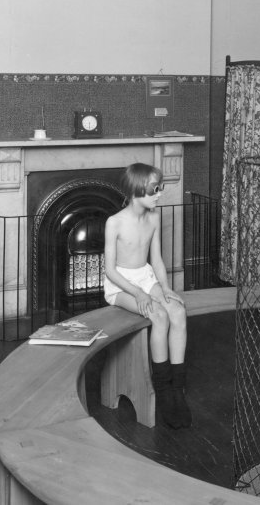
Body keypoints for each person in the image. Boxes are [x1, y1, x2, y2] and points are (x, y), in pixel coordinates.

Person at [103, 163, 191, 429]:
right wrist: (138, 292)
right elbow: (109, 271)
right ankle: (163, 390)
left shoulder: (153, 218)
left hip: (146, 276)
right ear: (137, 190)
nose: (160, 194)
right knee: (159, 316)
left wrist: (164, 287)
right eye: (155, 189)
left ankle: (178, 387)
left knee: (177, 311)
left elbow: (157, 260)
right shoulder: (114, 222)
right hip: (121, 285)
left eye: (161, 188)